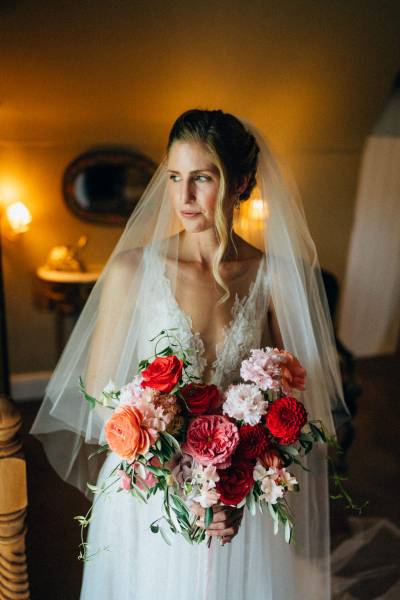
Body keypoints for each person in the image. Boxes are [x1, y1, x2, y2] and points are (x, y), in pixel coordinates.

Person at [31, 109, 346, 599]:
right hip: (151, 497)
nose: (184, 197)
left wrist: (243, 485)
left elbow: (293, 411)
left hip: (237, 502)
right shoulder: (134, 271)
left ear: (241, 183)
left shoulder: (274, 277)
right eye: (175, 177)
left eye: (202, 178)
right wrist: (176, 480)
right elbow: (102, 402)